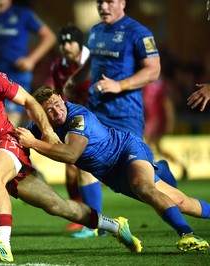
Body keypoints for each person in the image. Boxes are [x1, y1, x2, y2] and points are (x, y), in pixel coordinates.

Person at [0, 42, 142, 262]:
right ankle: (115, 225)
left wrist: (47, 131)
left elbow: (29, 101)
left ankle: (3, 244)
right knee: (58, 206)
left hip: (9, 143)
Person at [15, 86, 210, 252]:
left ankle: (188, 235)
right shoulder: (38, 127)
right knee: (181, 203)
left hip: (125, 150)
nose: (57, 111)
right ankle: (161, 171)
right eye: (49, 110)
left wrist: (33, 144)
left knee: (142, 186)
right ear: (39, 114)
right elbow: (16, 140)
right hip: (111, 174)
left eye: (57, 104)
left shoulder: (78, 116)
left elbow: (71, 154)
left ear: (61, 99)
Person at [66, 0, 177, 238]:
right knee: (83, 162)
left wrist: (119, 85)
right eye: (100, 2)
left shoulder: (139, 33)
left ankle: (162, 173)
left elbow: (153, 70)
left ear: (122, 3)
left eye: (109, 2)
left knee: (139, 182)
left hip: (125, 115)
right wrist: (76, 77)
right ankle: (96, 224)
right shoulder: (95, 31)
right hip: (96, 111)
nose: (103, 6)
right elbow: (92, 60)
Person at [45, 24, 94, 231]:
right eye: (62, 42)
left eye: (69, 42)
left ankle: (93, 221)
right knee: (72, 170)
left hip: (101, 119)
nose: (65, 46)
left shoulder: (95, 62)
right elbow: (59, 97)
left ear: (79, 43)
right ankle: (81, 215)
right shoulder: (58, 66)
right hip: (76, 122)